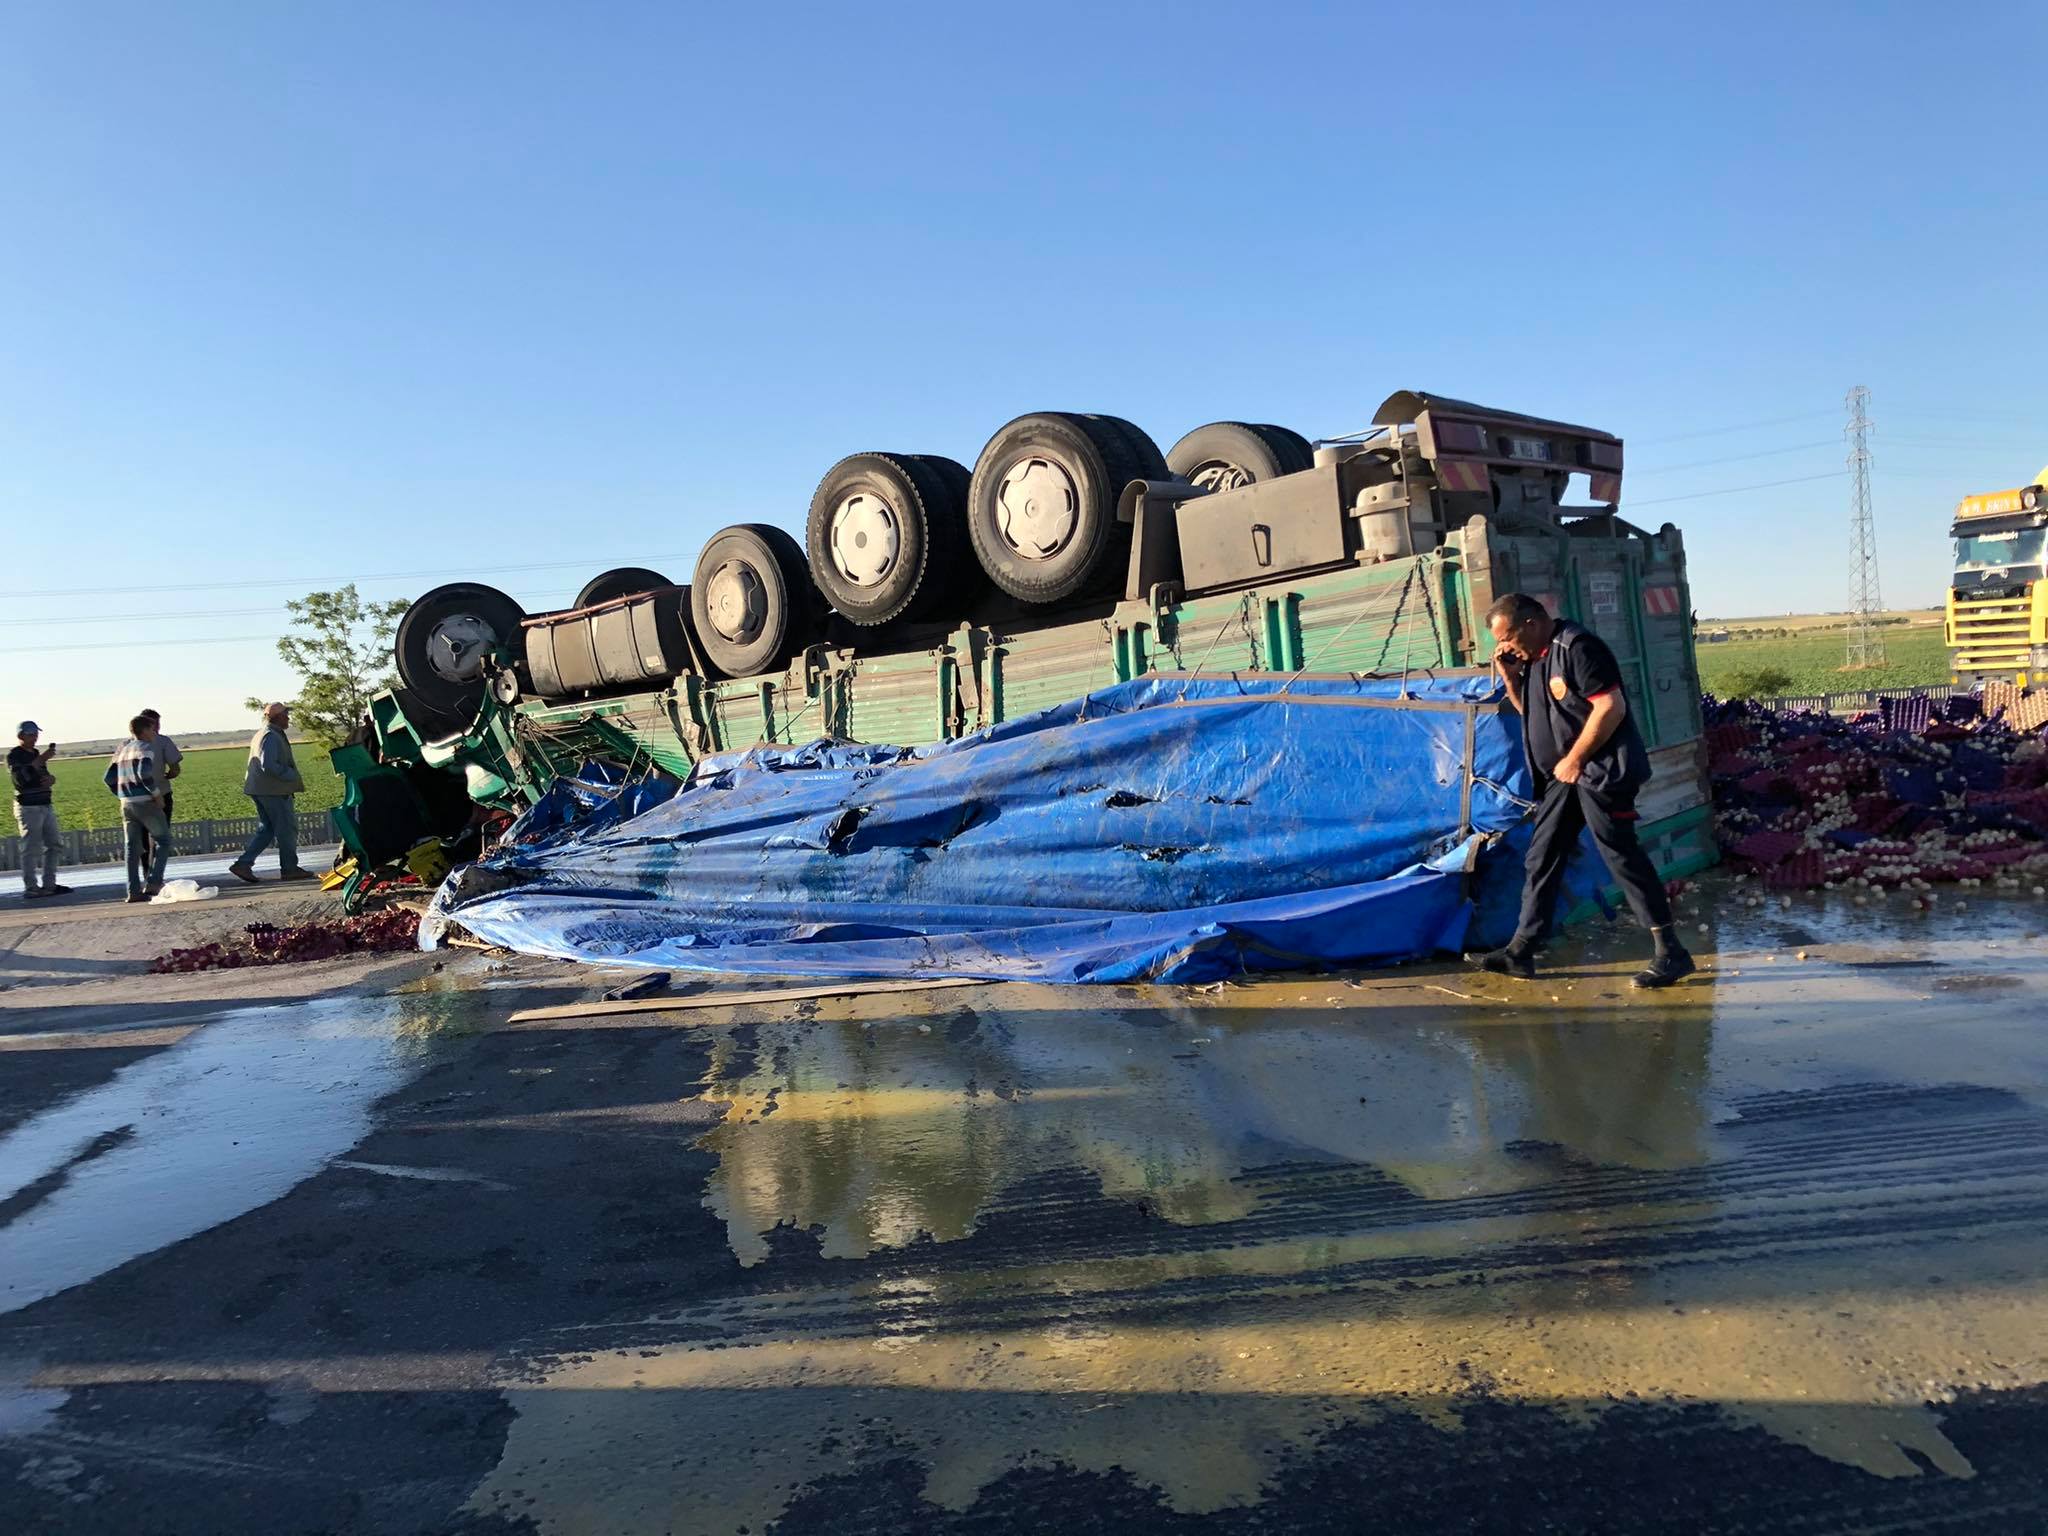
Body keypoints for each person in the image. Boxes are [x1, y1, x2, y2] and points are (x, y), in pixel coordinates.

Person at [1470, 593, 1695, 989]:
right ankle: (1521, 952)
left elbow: (1611, 707)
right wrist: (1510, 679)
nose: (1502, 647)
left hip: (1599, 771)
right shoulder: (1536, 660)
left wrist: (1574, 760)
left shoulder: (1577, 647)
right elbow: (1533, 715)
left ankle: (1671, 951)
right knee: (1542, 856)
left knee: (1620, 854)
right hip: (1564, 777)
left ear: (1531, 622)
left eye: (1505, 637)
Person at [229, 701, 314, 884]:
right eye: (285, 715)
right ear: (277, 717)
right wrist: (290, 774)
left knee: (267, 829)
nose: (288, 718)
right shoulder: (270, 736)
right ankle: (290, 869)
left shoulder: (265, 733)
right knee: (286, 829)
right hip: (273, 791)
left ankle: (243, 864)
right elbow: (268, 765)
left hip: (262, 789)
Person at [104, 714, 172, 903]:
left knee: (132, 848)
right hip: (146, 803)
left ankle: (133, 890)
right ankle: (154, 881)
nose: (155, 732)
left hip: (127, 804)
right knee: (163, 840)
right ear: (143, 731)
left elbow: (108, 778)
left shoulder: (123, 750)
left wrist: (122, 794)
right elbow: (144, 773)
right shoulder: (146, 748)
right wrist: (156, 795)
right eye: (152, 729)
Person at [9, 721, 72, 900]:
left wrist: (51, 779)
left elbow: (40, 775)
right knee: (31, 848)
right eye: (30, 734)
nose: (35, 737)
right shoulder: (15, 756)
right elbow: (20, 780)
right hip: (29, 807)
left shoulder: (36, 754)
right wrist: (41, 760)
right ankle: (31, 887)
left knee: (54, 844)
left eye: (36, 733)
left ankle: (49, 884)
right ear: (20, 736)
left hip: (45, 804)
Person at [136, 708, 182, 866]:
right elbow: (175, 768)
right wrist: (169, 775)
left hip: (135, 798)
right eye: (155, 724)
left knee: (140, 837)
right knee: (162, 837)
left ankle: (144, 872)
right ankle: (156, 876)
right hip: (160, 794)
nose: (157, 728)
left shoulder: (125, 745)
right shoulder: (163, 741)